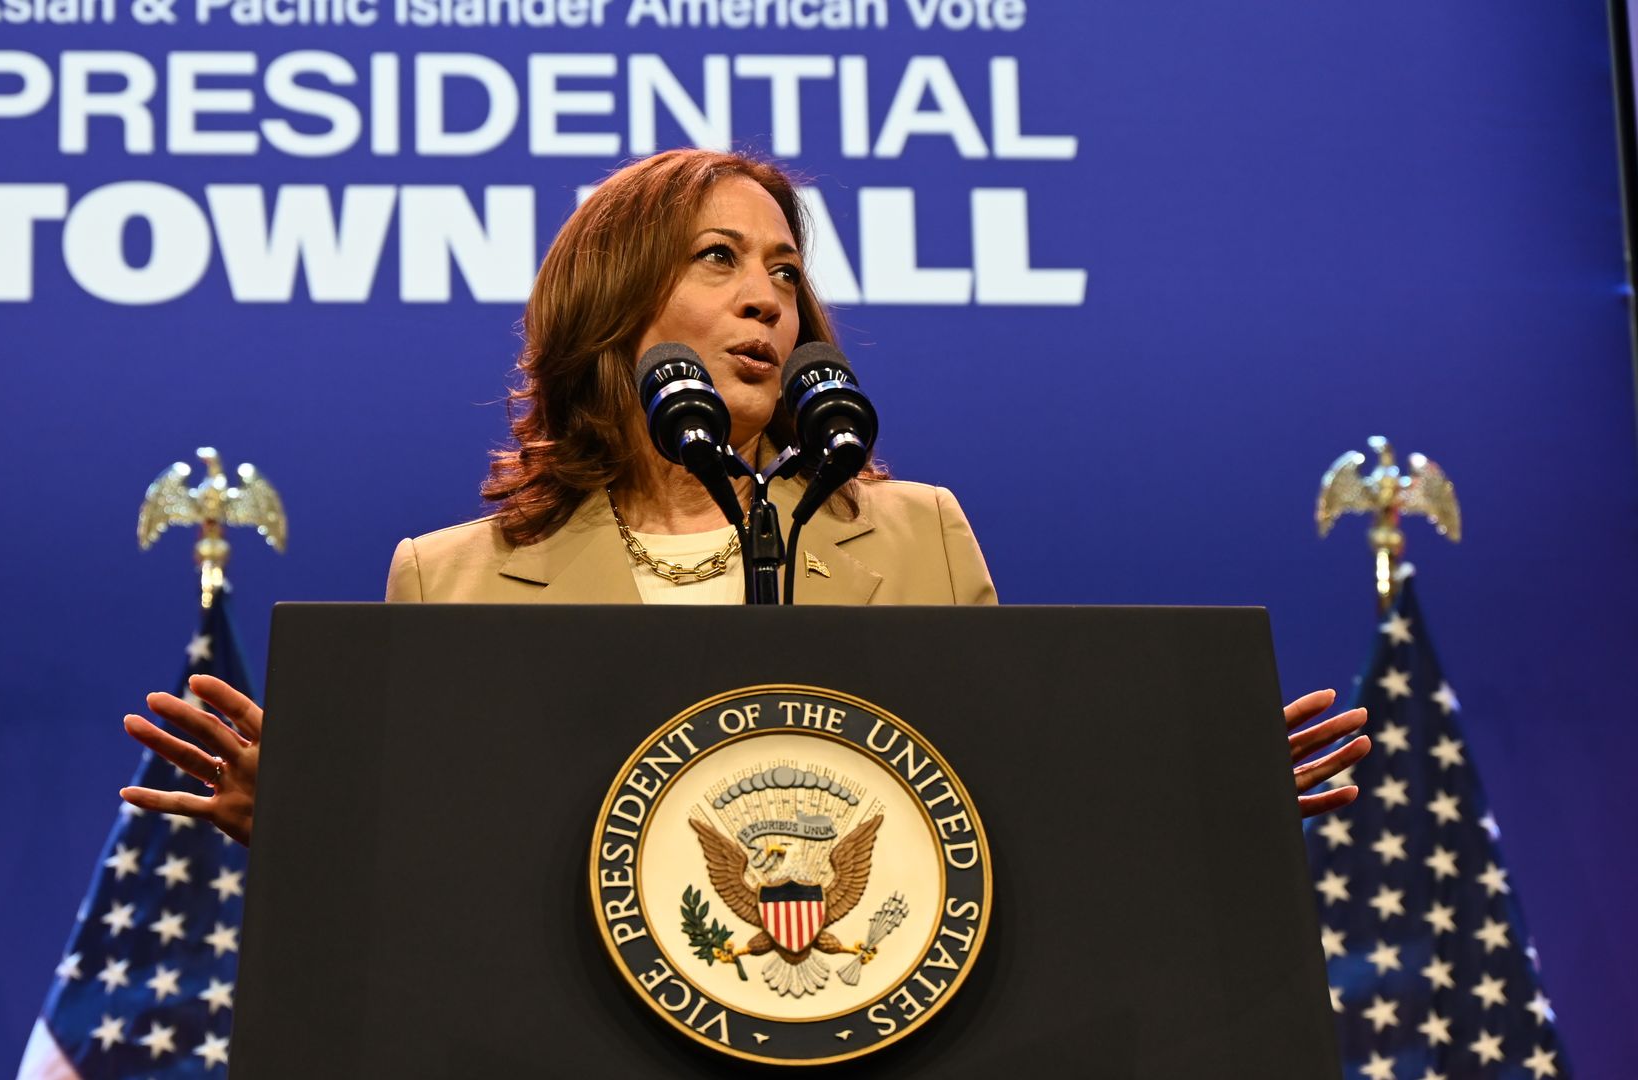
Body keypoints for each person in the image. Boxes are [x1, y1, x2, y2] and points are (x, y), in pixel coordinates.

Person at [117, 149, 1370, 845]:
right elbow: (444, 867)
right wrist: (314, 820)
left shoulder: (920, 537)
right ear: (615, 308)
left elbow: (1004, 812)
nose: (769, 295)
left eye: (785, 267)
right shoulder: (450, 576)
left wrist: (1189, 801)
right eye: (717, 260)